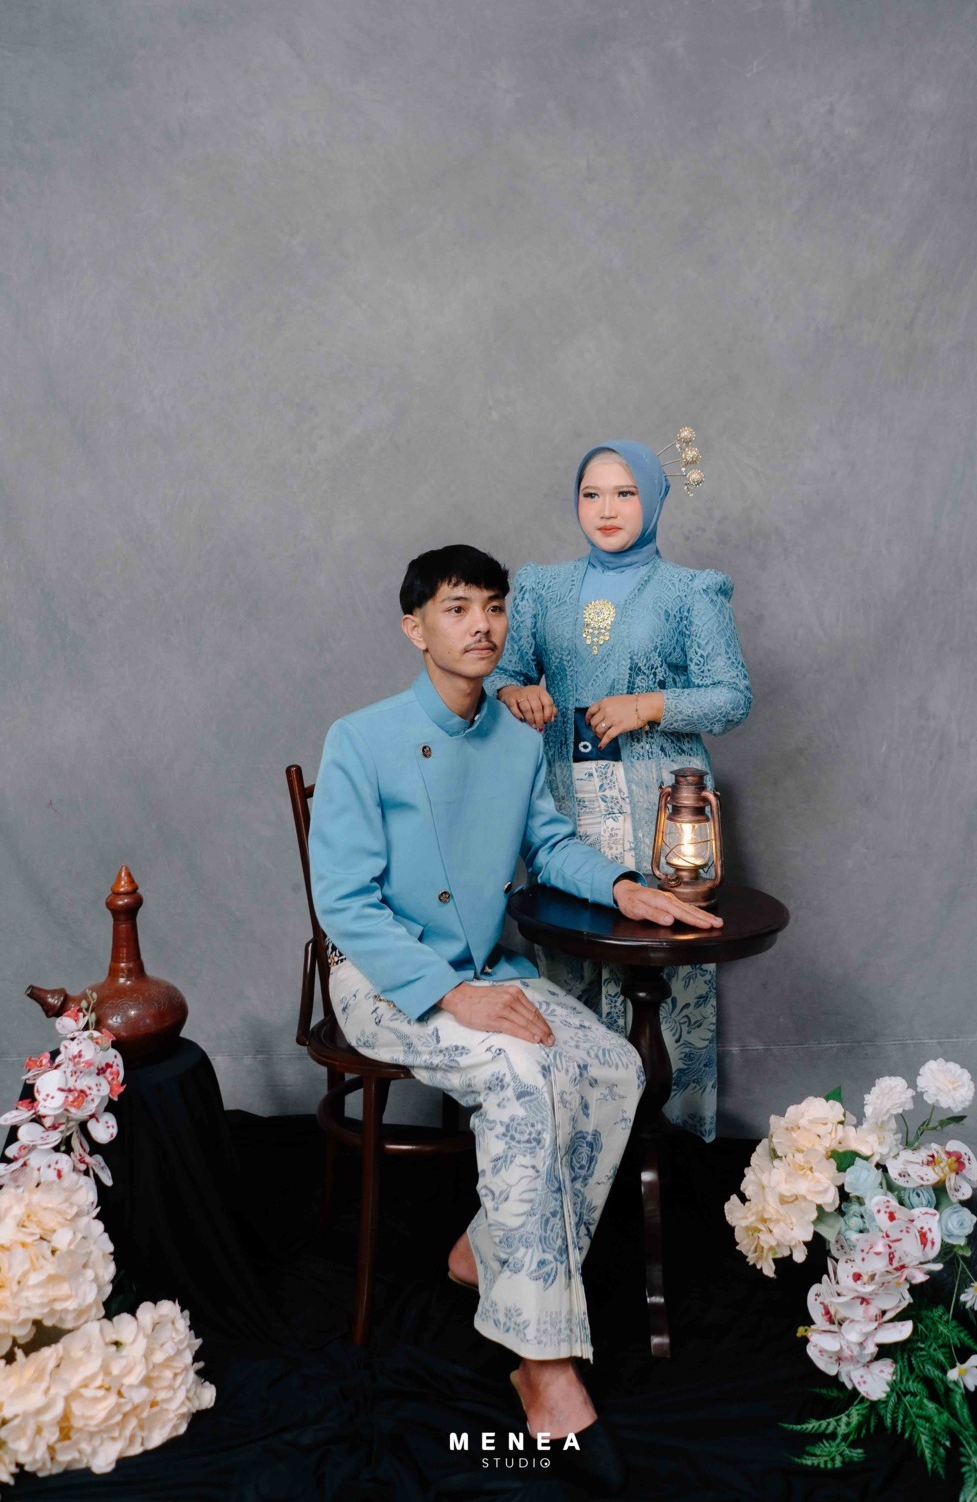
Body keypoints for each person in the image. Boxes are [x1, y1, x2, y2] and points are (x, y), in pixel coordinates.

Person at [308, 544, 720, 1489]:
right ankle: (542, 1362)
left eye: (493, 606)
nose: (482, 625)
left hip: (489, 967)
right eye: (457, 608)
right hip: (387, 979)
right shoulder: (361, 737)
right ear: (415, 628)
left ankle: (484, 1247)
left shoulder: (513, 736)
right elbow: (346, 903)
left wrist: (626, 885)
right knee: (522, 1072)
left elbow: (548, 842)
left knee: (616, 1065)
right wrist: (451, 993)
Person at [488, 442, 751, 1139]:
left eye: (626, 493)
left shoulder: (690, 591)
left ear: (655, 500)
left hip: (663, 815)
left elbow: (732, 696)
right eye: (592, 494)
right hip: (562, 810)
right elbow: (501, 672)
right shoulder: (542, 588)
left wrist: (649, 706)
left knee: (658, 971)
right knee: (566, 964)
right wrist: (514, 693)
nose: (606, 509)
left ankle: (664, 1150)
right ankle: (575, 1144)